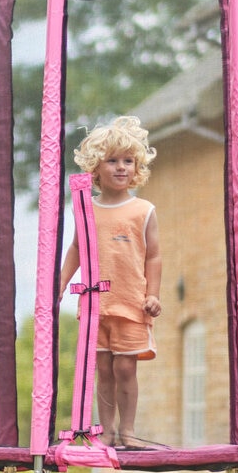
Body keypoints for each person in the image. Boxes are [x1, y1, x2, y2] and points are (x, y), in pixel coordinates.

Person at [60, 116, 161, 449]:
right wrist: (59, 286)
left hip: (132, 304)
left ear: (137, 168)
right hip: (95, 306)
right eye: (112, 160)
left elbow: (153, 257)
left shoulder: (143, 210)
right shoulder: (86, 209)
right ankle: (105, 432)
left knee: (125, 369)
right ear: (95, 169)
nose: (121, 168)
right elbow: (77, 249)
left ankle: (128, 432)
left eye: (128, 161)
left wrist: (153, 295)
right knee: (102, 369)